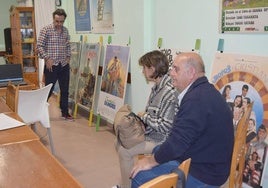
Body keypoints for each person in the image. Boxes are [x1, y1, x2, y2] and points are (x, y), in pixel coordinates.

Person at [131, 52, 234, 188]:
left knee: (140, 177)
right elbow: (182, 138)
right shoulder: (205, 91)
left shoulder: (196, 99)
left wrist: (150, 162)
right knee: (158, 150)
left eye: (176, 69)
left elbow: (177, 143)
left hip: (205, 174)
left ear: (191, 72)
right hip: (210, 162)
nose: (171, 73)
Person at [114, 50, 179, 188]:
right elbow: (153, 115)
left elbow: (166, 127)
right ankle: (128, 181)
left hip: (162, 140)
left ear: (153, 68)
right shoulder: (157, 86)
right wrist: (143, 119)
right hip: (152, 134)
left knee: (124, 151)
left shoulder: (168, 91)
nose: (143, 71)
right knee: (119, 141)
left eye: (144, 67)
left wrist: (144, 117)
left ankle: (127, 186)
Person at [37, 9, 73, 121]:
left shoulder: (65, 31)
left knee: (65, 90)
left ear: (64, 20)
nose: (59, 24)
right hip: (51, 65)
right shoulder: (46, 30)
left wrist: (68, 57)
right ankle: (38, 111)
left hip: (63, 65)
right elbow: (39, 46)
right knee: (48, 90)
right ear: (53, 19)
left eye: (61, 22)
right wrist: (47, 58)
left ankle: (65, 113)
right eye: (57, 21)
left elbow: (67, 46)